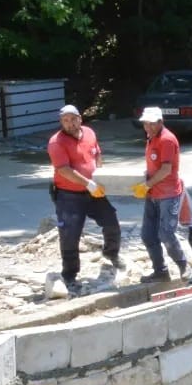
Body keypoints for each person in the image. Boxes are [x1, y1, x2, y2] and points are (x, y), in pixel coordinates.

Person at [47, 104, 124, 295]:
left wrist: (101, 177)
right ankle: (70, 276)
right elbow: (64, 170)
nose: (70, 123)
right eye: (65, 120)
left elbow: (96, 154)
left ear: (80, 119)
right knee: (70, 235)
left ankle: (111, 253)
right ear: (61, 122)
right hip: (69, 196)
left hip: (94, 192)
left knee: (111, 221)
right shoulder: (56, 142)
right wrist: (88, 183)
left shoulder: (89, 132)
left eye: (73, 119)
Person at [134, 107, 189, 283]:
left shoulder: (166, 140)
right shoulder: (152, 138)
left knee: (166, 234)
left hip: (168, 194)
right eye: (145, 123)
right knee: (148, 235)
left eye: (151, 123)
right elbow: (155, 165)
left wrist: (146, 185)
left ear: (160, 122)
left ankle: (183, 265)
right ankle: (161, 271)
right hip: (153, 194)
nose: (147, 127)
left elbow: (166, 169)